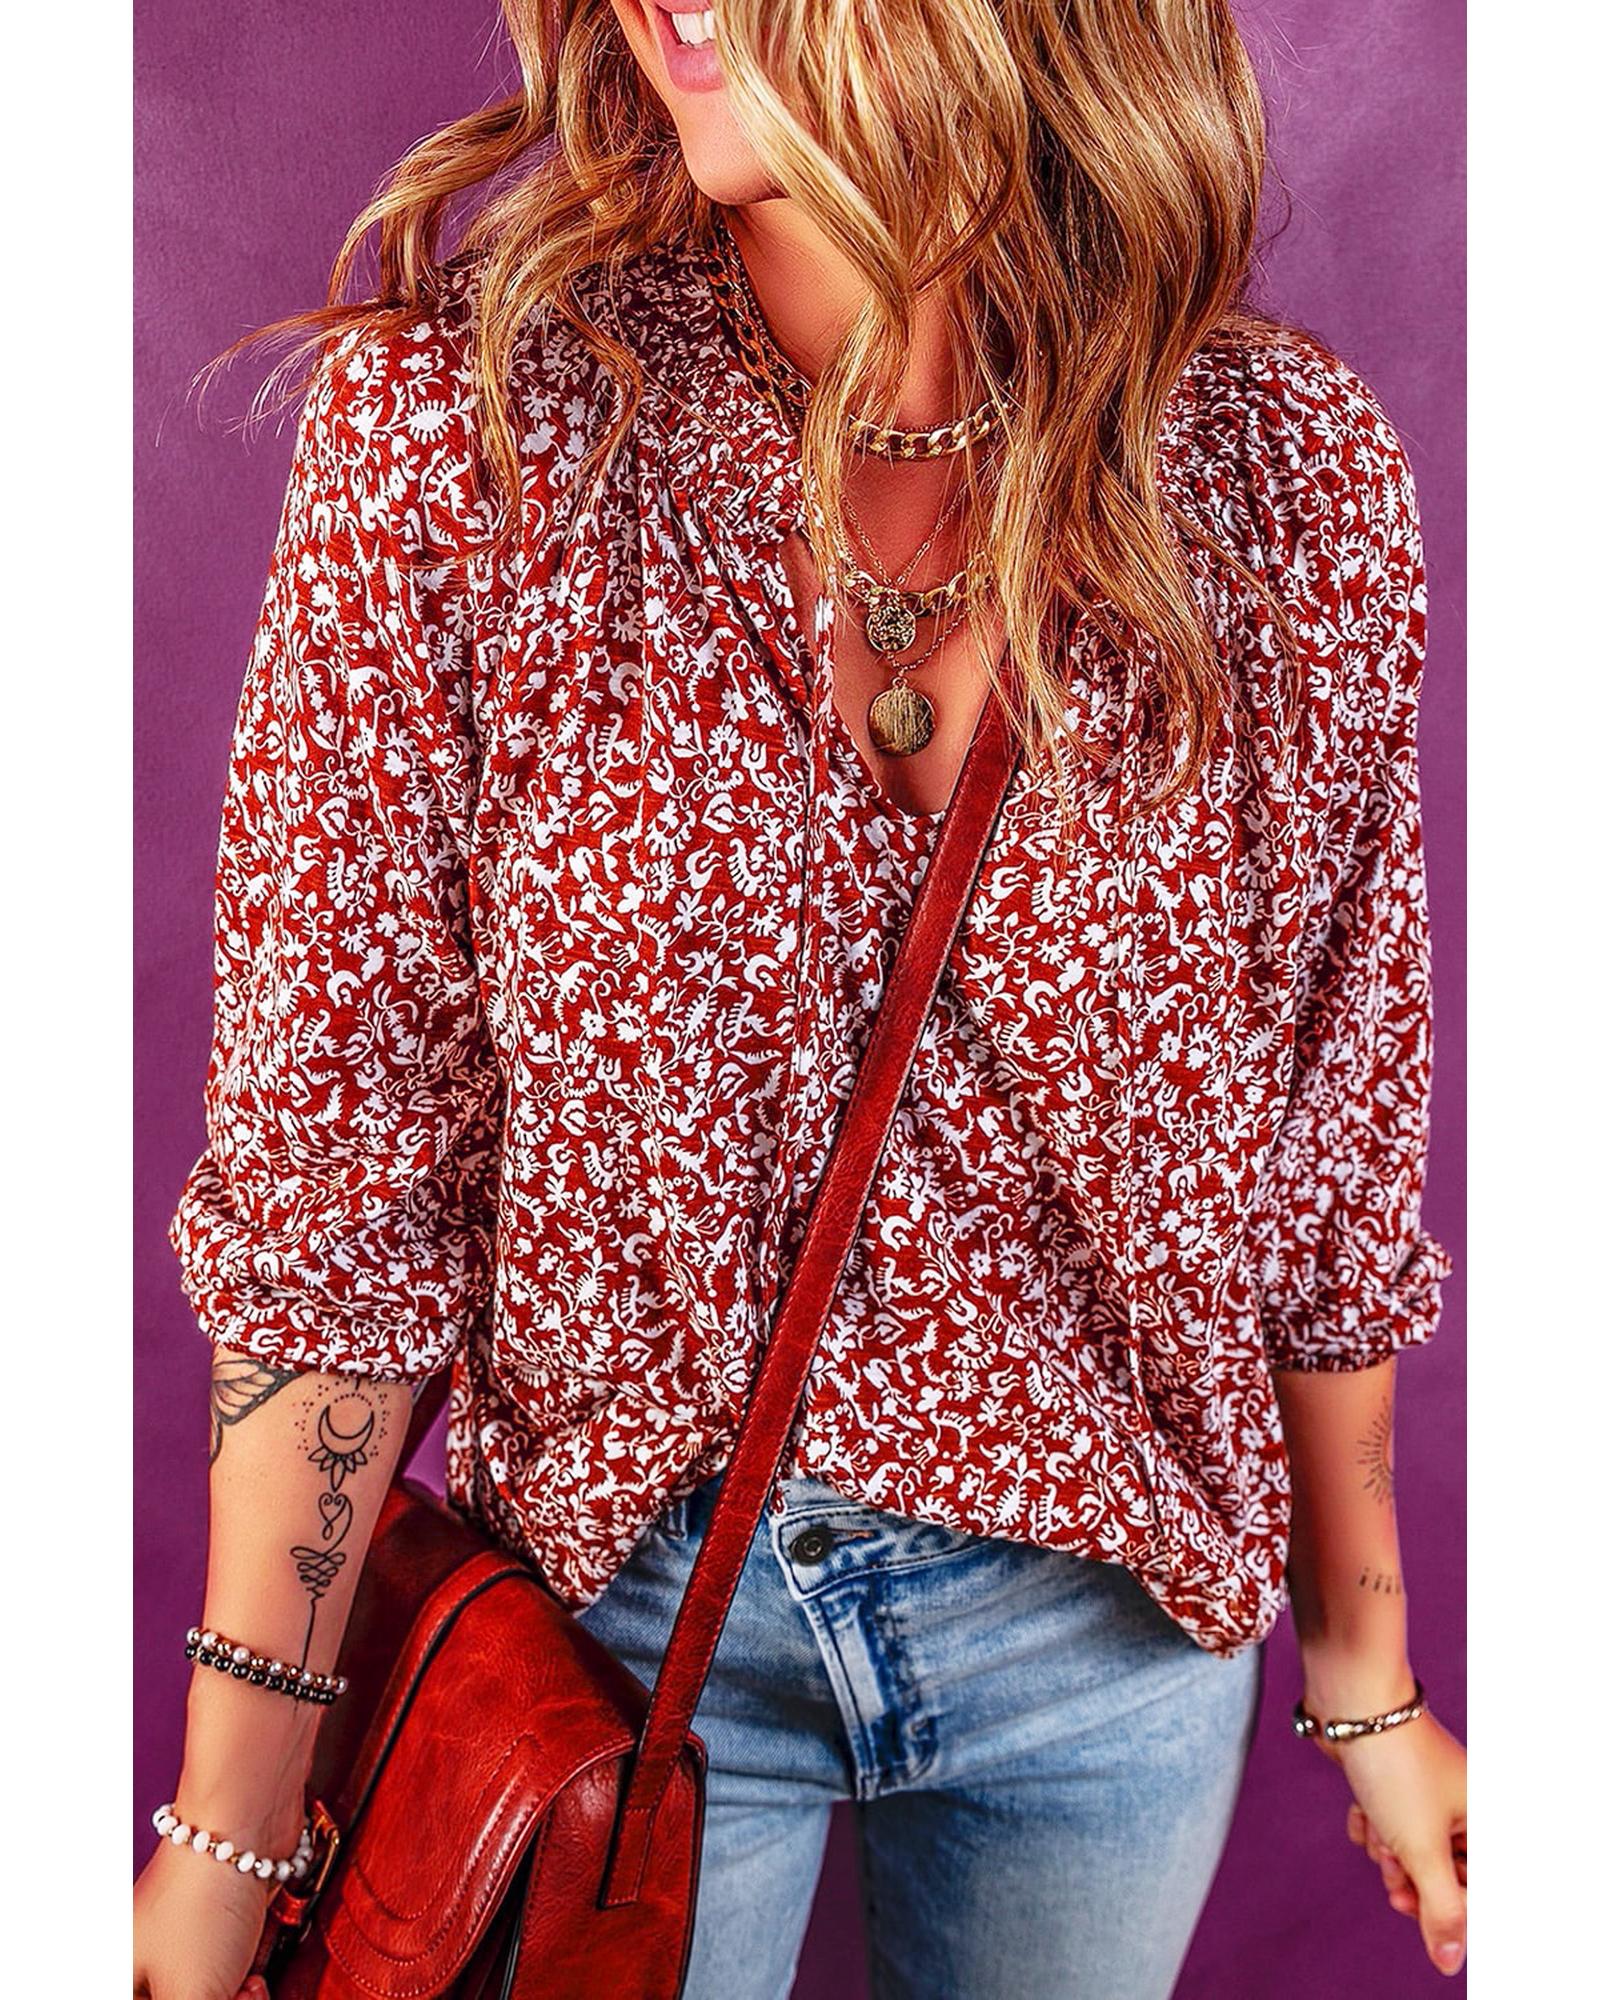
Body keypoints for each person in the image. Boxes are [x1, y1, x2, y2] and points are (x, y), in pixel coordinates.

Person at [133, 3, 1467, 1996]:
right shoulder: (471, 433)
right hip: (619, 1646)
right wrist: (230, 1838)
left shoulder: (1279, 478)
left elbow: (1326, 1154)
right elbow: (341, 1190)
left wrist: (1363, 1673)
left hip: (1110, 1648)